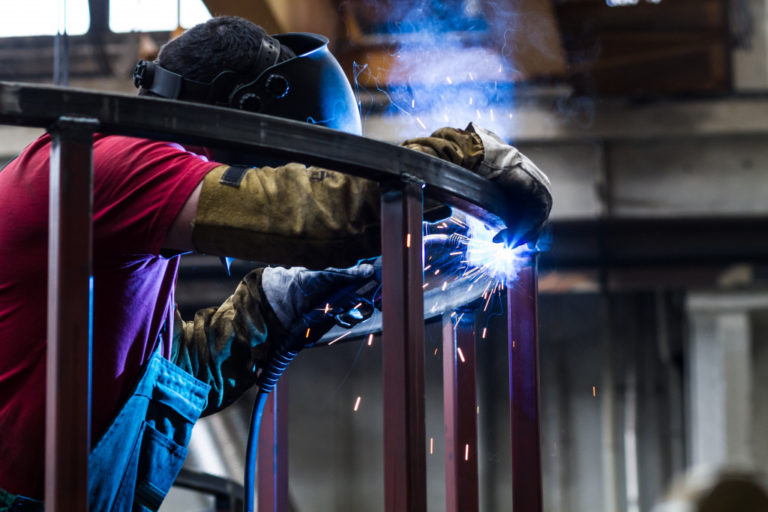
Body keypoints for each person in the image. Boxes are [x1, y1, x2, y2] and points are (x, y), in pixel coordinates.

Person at [0, 16, 551, 512]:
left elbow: (153, 377)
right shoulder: (118, 163)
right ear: (246, 117)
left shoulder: (109, 183)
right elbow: (313, 214)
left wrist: (270, 307)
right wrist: (470, 155)